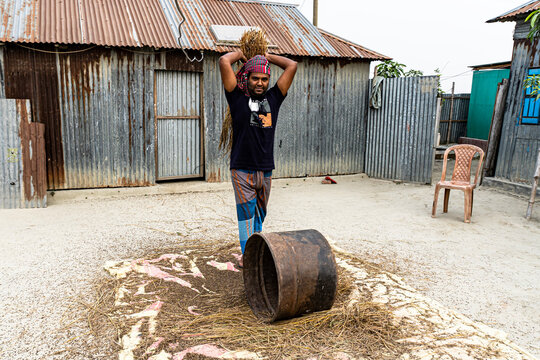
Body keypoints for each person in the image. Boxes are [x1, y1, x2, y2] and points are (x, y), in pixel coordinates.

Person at [219, 51, 297, 259]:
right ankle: (249, 259)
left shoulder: (274, 98)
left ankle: (257, 254)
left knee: (259, 216)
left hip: (266, 170)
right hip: (242, 169)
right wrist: (242, 55)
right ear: (247, 78)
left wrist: (268, 57)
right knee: (246, 216)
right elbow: (224, 61)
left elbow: (292, 66)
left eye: (264, 79)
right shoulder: (236, 97)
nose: (260, 83)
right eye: (255, 78)